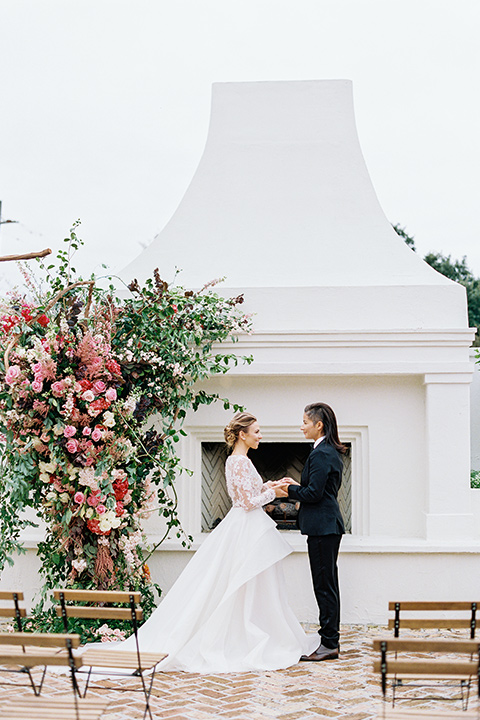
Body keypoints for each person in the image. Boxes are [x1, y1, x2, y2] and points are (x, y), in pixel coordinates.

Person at [108, 412, 317, 672]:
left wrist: (270, 485)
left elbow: (250, 492)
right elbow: (245, 503)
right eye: (257, 431)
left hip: (247, 526)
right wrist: (273, 493)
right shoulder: (239, 462)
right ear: (243, 434)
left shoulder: (239, 459)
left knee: (255, 583)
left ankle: (254, 629)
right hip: (246, 528)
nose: (260, 435)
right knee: (245, 583)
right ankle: (245, 635)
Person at [278, 402, 346, 661]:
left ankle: (329, 644)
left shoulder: (321, 453)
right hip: (327, 526)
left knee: (324, 585)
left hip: (322, 527)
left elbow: (314, 494)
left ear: (319, 425)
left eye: (305, 422)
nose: (302, 426)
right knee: (327, 583)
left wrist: (288, 490)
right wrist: (298, 485)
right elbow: (320, 488)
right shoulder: (328, 451)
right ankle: (330, 640)